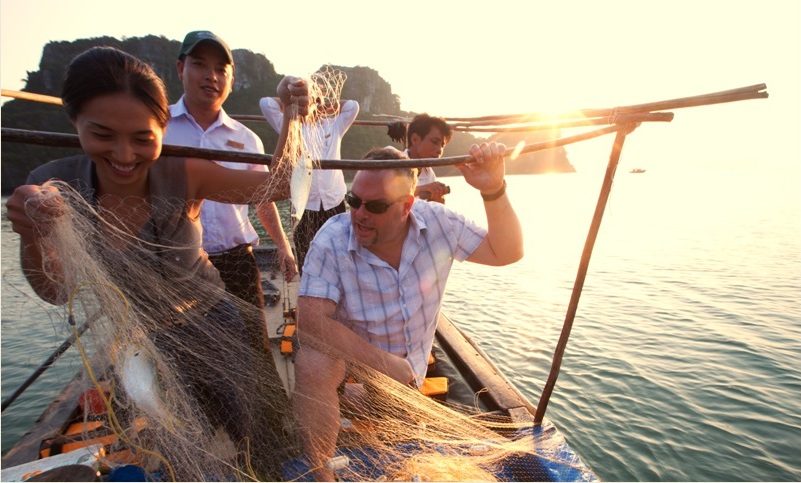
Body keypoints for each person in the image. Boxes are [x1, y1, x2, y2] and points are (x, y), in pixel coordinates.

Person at [5, 46, 310, 480]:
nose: (125, 155)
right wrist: (31, 234)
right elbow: (54, 291)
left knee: (242, 425)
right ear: (75, 123)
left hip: (212, 323)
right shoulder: (52, 187)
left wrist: (291, 114)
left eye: (143, 139)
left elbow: (278, 184)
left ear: (163, 128)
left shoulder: (184, 171)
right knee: (168, 439)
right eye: (103, 135)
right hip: (139, 341)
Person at [292, 143, 523, 480]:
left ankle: (364, 399)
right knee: (312, 362)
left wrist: (493, 190)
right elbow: (310, 322)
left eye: (376, 206)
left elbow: (507, 251)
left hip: (408, 376)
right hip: (358, 364)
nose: (359, 214)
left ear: (407, 206)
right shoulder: (332, 239)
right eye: (354, 201)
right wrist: (384, 364)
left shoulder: (438, 223)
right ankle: (323, 474)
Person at [164, 31, 297, 347]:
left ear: (232, 80)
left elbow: (264, 198)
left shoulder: (247, 139)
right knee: (188, 350)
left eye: (221, 69)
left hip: (237, 260)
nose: (211, 76)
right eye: (200, 65)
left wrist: (282, 245)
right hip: (176, 262)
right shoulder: (157, 128)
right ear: (181, 69)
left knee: (253, 346)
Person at [260, 94, 359, 275]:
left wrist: (324, 107)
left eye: (314, 100)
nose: (311, 105)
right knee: (307, 258)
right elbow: (266, 104)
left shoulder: (333, 125)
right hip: (303, 203)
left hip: (334, 202)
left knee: (339, 257)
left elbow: (352, 106)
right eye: (307, 101)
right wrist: (294, 105)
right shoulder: (291, 127)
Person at [405, 113, 453, 203]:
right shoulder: (390, 158)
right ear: (415, 139)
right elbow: (385, 193)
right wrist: (421, 189)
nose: (439, 150)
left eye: (442, 145)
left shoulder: (430, 175)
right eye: (434, 142)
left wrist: (438, 202)